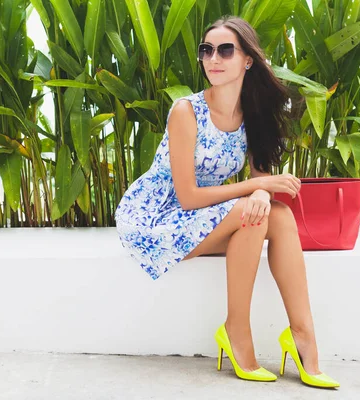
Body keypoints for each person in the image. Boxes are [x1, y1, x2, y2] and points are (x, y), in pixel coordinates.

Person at [115, 15, 339, 389]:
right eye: (206, 50)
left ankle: (303, 337)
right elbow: (187, 197)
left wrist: (263, 189)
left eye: (225, 50)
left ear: (247, 59)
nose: (213, 58)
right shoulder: (186, 111)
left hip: (206, 215)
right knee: (251, 213)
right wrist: (258, 187)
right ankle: (237, 333)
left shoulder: (252, 113)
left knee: (276, 215)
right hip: (157, 218)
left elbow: (259, 178)